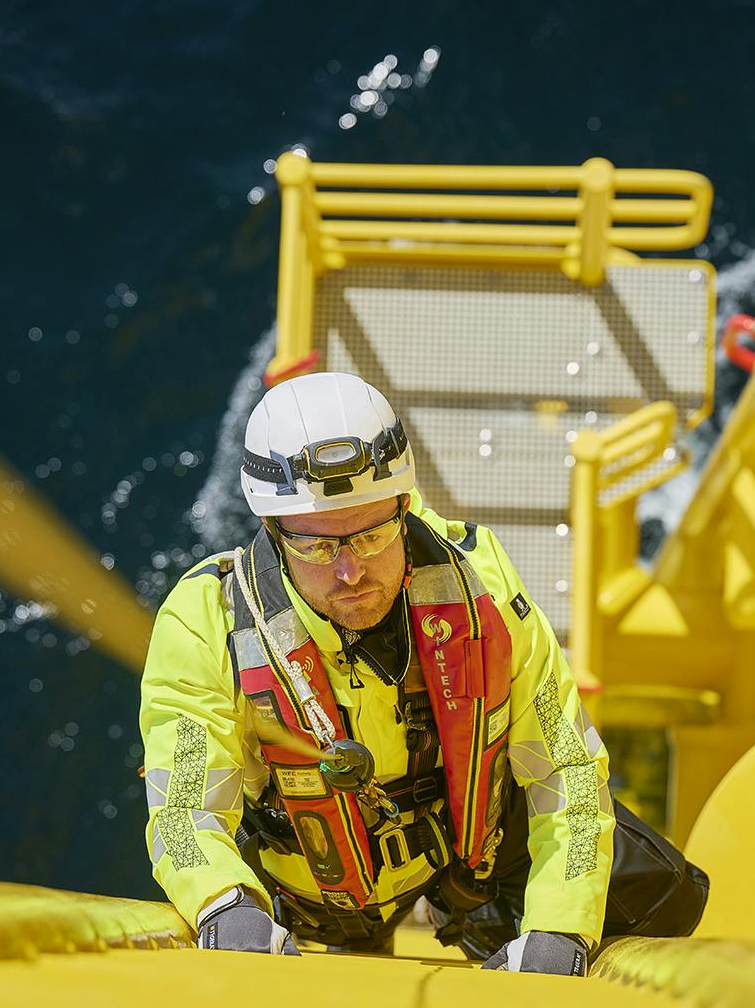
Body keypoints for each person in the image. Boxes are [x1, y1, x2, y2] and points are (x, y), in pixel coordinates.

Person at [140, 371, 708, 974]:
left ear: (405, 505)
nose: (350, 572)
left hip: (463, 855)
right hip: (302, 884)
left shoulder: (482, 588)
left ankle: (482, 923)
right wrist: (225, 905)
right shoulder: (206, 622)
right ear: (271, 531)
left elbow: (565, 766)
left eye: (373, 534)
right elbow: (182, 810)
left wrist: (560, 931)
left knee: (666, 895)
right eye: (315, 546)